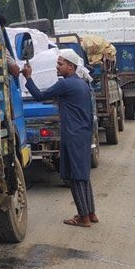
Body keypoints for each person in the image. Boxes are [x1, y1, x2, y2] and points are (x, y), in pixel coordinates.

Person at [18, 49, 98, 227]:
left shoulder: (65, 85)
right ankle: (91, 213)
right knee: (83, 175)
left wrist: (28, 77)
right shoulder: (83, 84)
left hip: (72, 134)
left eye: (60, 63)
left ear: (71, 66)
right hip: (84, 134)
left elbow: (39, 95)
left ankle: (83, 217)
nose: (57, 66)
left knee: (75, 177)